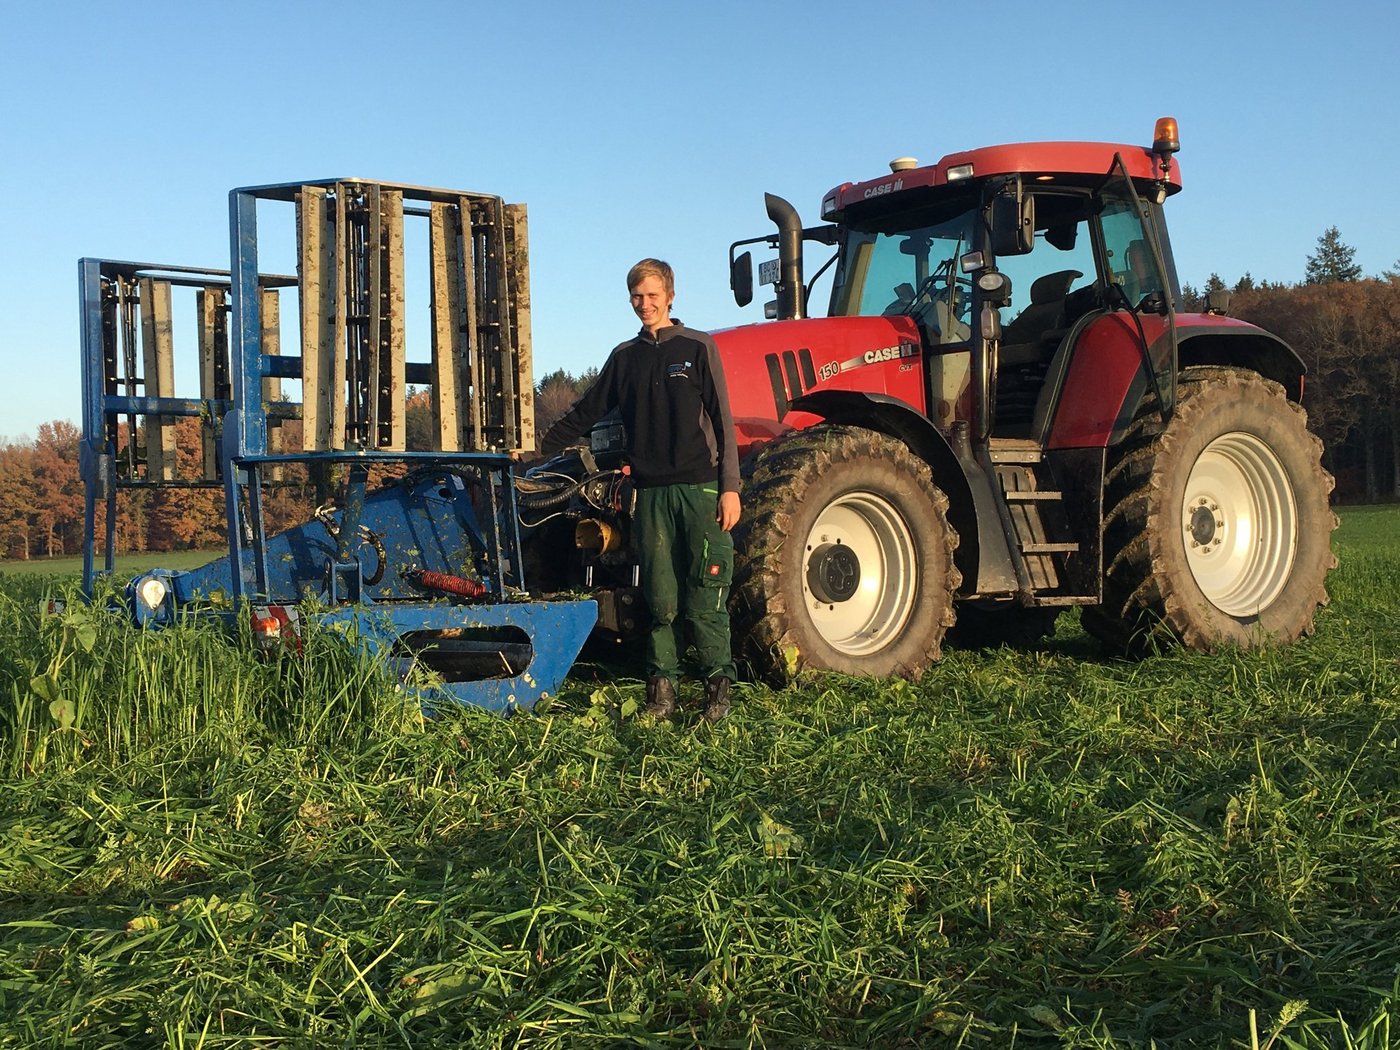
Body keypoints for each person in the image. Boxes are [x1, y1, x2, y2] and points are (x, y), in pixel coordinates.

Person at [539, 259, 741, 722]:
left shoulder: (697, 347)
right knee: (660, 597)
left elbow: (724, 424)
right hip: (649, 495)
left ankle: (717, 695)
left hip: (700, 490)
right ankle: (662, 695)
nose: (644, 304)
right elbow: (586, 411)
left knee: (705, 593)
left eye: (652, 295)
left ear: (670, 295)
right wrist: (535, 447)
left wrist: (730, 487)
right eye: (636, 296)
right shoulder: (624, 358)